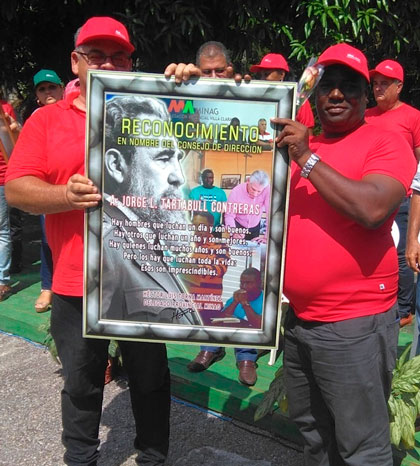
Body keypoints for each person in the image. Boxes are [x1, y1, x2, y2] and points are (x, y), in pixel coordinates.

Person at [5, 17, 171, 466]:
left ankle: (153, 456)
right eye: (96, 55)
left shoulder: (157, 109)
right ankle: (81, 458)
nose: (109, 63)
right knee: (81, 381)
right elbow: (17, 189)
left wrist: (198, 85)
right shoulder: (46, 120)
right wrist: (64, 195)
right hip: (77, 281)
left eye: (119, 55)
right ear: (75, 63)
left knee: (151, 377)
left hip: (142, 277)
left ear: (132, 61)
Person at [275, 43, 416, 465]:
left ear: (366, 94)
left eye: (348, 86)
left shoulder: (386, 142)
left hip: (353, 324)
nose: (336, 94)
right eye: (327, 86)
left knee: (363, 445)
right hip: (299, 321)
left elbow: (373, 209)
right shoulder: (299, 143)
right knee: (314, 435)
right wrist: (195, 85)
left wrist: (306, 156)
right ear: (314, 96)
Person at [101, 94, 202, 325]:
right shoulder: (107, 247)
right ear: (117, 166)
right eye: (164, 158)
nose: (179, 177)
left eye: (177, 158)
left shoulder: (144, 236)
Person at [365, 59, 420, 327]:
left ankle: (404, 310)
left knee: (400, 253)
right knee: (370, 250)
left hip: (401, 197)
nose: (378, 88)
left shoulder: (413, 117)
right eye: (375, 83)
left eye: (385, 83)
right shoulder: (366, 116)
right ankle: (373, 300)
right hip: (367, 197)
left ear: (399, 86)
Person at [187, 267, 263, 386]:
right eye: (242, 282)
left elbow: (259, 324)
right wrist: (235, 302)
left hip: (251, 337)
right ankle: (209, 351)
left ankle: (246, 361)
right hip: (232, 330)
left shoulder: (266, 299)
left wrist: (245, 304)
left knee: (249, 331)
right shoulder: (236, 296)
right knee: (214, 322)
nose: (244, 286)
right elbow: (222, 317)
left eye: (248, 283)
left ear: (259, 283)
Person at [33, 69, 65, 312]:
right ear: (37, 96)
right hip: (46, 189)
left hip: (71, 185)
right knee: (47, 239)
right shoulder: (36, 118)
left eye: (51, 87)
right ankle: (48, 286)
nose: (48, 93)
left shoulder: (72, 113)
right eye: (42, 89)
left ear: (62, 89)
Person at [249, 53, 315, 132]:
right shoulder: (257, 97)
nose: (263, 79)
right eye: (261, 75)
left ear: (282, 74)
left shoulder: (298, 100)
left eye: (266, 74)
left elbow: (308, 136)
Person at [0, 97, 19, 300]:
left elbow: (14, 145)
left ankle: (2, 281)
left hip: (2, 177)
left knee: (1, 230)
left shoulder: (5, 108)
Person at [224, 169, 270, 243]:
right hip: (238, 226)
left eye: (259, 191)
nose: (255, 194)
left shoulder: (267, 190)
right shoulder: (236, 191)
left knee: (254, 252)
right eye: (253, 189)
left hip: (255, 227)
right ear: (248, 181)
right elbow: (229, 215)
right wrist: (233, 232)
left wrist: (267, 237)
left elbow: (270, 214)